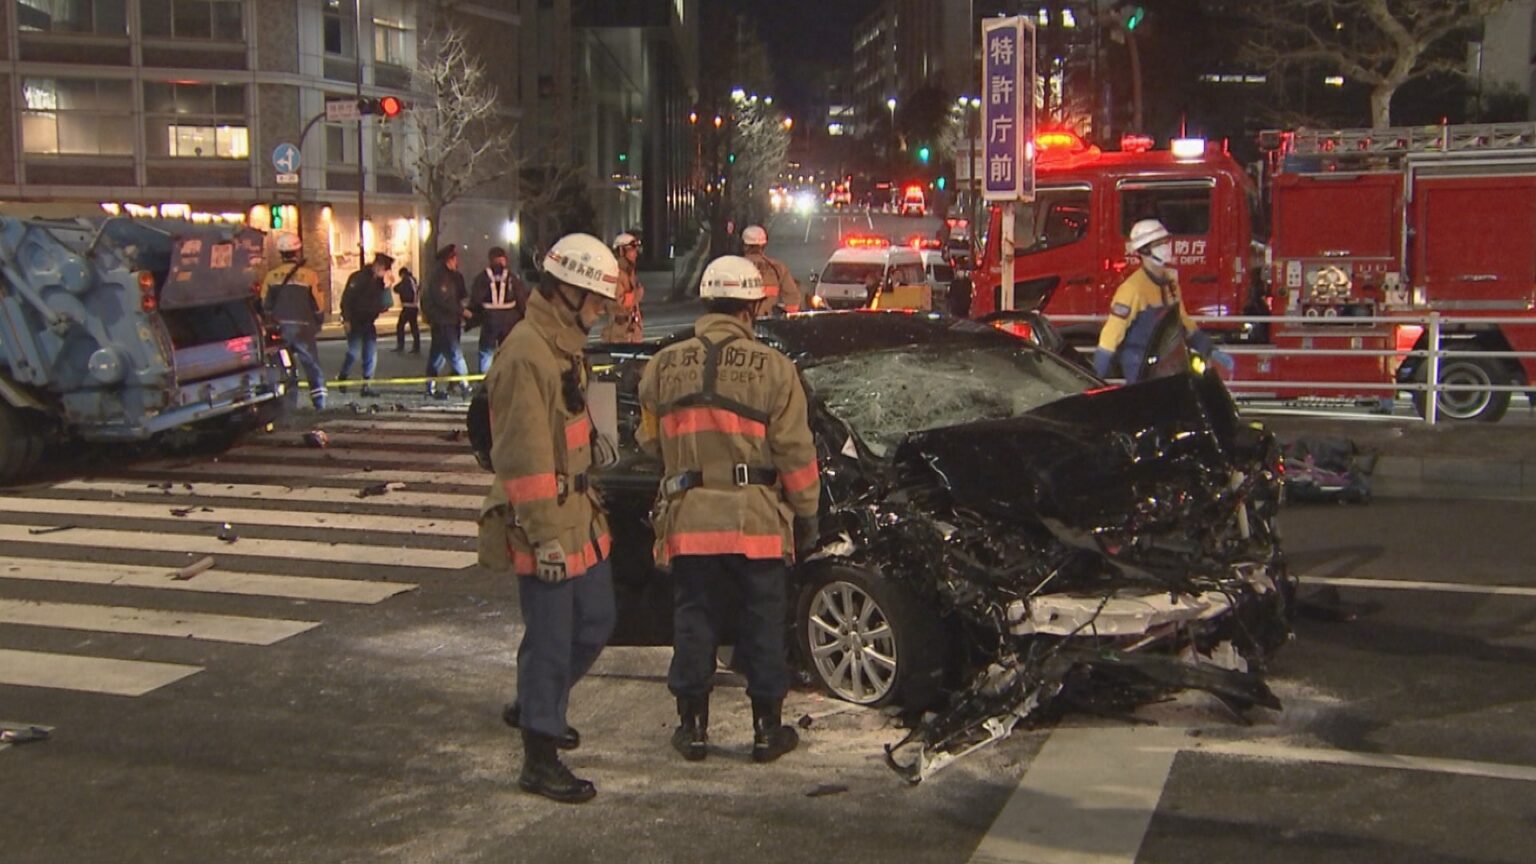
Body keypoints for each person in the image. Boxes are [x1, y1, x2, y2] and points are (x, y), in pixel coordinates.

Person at [636, 255, 821, 765]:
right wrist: (807, 512)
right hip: (756, 522)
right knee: (762, 622)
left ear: (707, 300)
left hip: (690, 520)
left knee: (693, 618)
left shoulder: (661, 366)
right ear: (753, 305)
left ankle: (692, 728)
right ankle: (766, 731)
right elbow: (795, 453)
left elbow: (650, 443)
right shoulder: (776, 370)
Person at [478, 233, 620, 804]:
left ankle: (534, 703)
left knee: (597, 620)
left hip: (578, 514)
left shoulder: (561, 345)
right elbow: (522, 459)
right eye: (595, 301)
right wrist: (542, 539)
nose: (601, 312)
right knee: (552, 639)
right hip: (545, 523)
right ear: (566, 291)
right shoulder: (526, 353)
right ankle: (539, 754)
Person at [1093, 219, 1232, 383]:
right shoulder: (1132, 289)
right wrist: (1095, 377)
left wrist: (1207, 348)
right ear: (1144, 250)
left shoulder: (1170, 282)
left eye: (1165, 241)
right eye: (1158, 243)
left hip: (1170, 364)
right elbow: (1111, 336)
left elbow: (1182, 321)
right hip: (1140, 368)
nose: (1165, 247)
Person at [261, 233, 328, 410]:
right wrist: (318, 322)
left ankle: (288, 404)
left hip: (279, 329)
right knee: (312, 364)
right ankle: (319, 403)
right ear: (297, 252)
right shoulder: (310, 276)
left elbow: (264, 305)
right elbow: (318, 304)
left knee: (284, 367)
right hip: (303, 329)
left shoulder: (271, 276)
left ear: (281, 253)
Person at [338, 252, 393, 397]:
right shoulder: (358, 277)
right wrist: (347, 319)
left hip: (369, 322)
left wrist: (387, 288)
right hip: (355, 321)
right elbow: (347, 300)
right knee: (353, 352)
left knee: (370, 354)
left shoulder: (381, 283)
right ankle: (343, 376)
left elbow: (387, 305)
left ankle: (367, 385)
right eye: (383, 269)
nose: (384, 272)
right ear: (377, 266)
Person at [469, 246, 530, 373]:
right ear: (504, 260)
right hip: (509, 320)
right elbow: (521, 298)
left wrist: (474, 316)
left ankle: (485, 384)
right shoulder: (512, 278)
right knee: (507, 351)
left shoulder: (482, 277)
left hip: (489, 320)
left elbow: (476, 299)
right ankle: (506, 379)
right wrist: (524, 316)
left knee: (486, 352)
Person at [422, 243, 471, 398]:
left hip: (451, 321)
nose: (457, 261)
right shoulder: (439, 277)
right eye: (455, 258)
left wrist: (463, 310)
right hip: (443, 321)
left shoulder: (455, 276)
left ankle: (430, 385)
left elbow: (461, 296)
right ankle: (465, 384)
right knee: (455, 354)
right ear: (448, 259)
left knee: (437, 355)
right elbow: (443, 301)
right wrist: (462, 311)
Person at [741, 224, 803, 315]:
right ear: (764, 245)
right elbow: (792, 297)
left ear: (744, 245)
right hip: (768, 323)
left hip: (741, 323)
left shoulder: (735, 266)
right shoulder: (777, 268)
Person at [599, 233, 645, 343]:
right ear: (621, 251)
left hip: (631, 330)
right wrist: (637, 295)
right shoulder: (615, 274)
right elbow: (618, 305)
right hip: (620, 332)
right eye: (632, 250)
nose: (635, 254)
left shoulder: (628, 272)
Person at [393, 266, 421, 354]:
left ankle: (400, 345)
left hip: (407, 307)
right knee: (414, 327)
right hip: (414, 307)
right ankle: (416, 346)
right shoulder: (413, 280)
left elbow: (396, 288)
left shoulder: (406, 281)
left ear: (402, 274)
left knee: (400, 326)